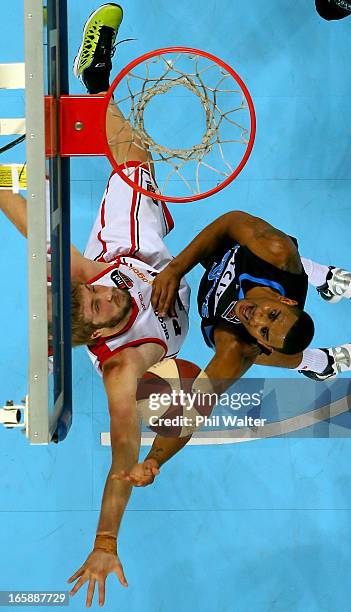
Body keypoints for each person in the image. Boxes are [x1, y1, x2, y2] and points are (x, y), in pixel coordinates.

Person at [0, 4, 191, 607]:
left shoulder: (96, 277)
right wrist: (106, 538)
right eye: (105, 303)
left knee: (130, 149)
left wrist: (2, 186)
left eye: (97, 293)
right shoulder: (121, 370)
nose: (108, 293)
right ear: (101, 330)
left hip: (133, 245)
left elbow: (39, 237)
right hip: (175, 292)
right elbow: (123, 458)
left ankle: (94, 81)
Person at [117, 211, 351, 491]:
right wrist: (174, 270)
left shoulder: (239, 347)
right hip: (242, 258)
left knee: (248, 354)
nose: (256, 318)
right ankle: (321, 277)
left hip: (224, 307)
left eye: (264, 331)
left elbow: (195, 408)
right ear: (283, 299)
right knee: (279, 253)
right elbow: (229, 222)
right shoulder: (275, 251)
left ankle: (319, 363)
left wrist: (154, 459)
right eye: (272, 314)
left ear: (264, 341)